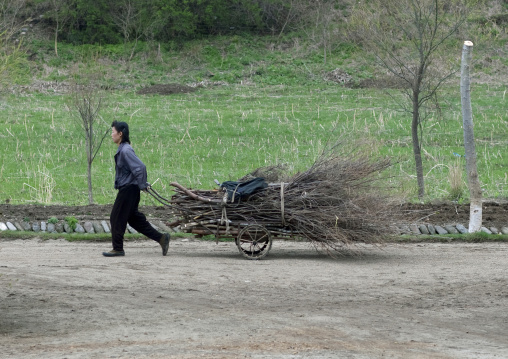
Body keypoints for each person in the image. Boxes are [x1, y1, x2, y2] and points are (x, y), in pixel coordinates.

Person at [103, 120, 170, 257]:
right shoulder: (123, 148)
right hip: (131, 190)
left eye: (113, 131)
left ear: (120, 134)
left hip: (128, 190)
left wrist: (142, 184)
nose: (111, 134)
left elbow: (140, 167)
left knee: (116, 217)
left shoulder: (126, 150)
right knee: (134, 220)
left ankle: (118, 249)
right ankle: (161, 238)